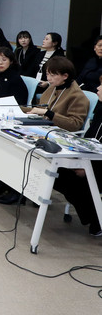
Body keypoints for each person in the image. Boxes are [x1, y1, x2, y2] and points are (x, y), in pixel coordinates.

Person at [0, 56, 90, 205]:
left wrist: (49, 114)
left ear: (65, 76)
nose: (48, 78)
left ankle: (18, 192)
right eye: (48, 74)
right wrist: (14, 107)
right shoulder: (52, 88)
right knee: (11, 143)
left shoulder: (77, 96)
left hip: (58, 138)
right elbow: (39, 109)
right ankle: (8, 183)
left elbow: (75, 124)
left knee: (22, 150)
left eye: (53, 75)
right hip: (41, 130)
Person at [53, 75, 102, 237]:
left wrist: (87, 167)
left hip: (97, 166)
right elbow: (89, 139)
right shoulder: (100, 109)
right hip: (89, 160)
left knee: (69, 178)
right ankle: (92, 216)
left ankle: (96, 220)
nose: (98, 88)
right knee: (57, 171)